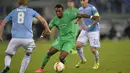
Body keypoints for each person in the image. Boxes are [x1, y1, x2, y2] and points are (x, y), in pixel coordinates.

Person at [35, 4, 97, 72]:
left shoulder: (68, 16)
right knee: (49, 53)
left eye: (59, 11)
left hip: (69, 40)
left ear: (62, 11)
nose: (58, 13)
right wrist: (42, 36)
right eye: (56, 11)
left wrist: (92, 16)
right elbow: (47, 29)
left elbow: (81, 15)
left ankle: (62, 63)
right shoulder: (54, 19)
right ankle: (41, 68)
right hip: (60, 39)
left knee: (61, 57)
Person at [0, 0, 51, 73]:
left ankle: (7, 65)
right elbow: (42, 20)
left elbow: (3, 23)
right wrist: (47, 29)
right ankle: (21, 72)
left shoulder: (13, 12)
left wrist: (0, 35)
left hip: (15, 38)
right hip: (28, 39)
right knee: (28, 54)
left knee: (9, 54)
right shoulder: (31, 11)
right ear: (26, 2)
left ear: (18, 3)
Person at [75, 0, 100, 69]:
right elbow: (80, 15)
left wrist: (89, 26)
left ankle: (97, 62)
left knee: (93, 50)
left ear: (87, 0)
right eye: (81, 0)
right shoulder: (80, 9)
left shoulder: (92, 8)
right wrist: (77, 20)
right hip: (85, 30)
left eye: (84, 0)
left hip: (94, 30)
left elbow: (97, 19)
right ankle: (83, 59)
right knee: (77, 45)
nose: (82, 1)